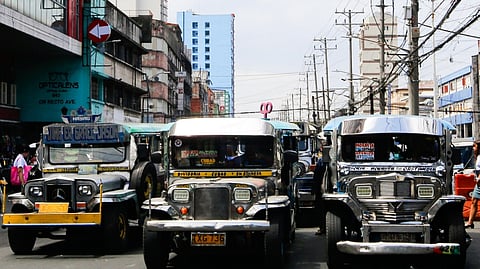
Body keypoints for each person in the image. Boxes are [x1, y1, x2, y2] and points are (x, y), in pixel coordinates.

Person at [465, 140, 480, 229]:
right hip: (478, 184)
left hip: (479, 181)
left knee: (474, 200)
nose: (473, 148)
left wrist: (479, 177)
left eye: (474, 146)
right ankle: (470, 222)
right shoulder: (477, 157)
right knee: (474, 200)